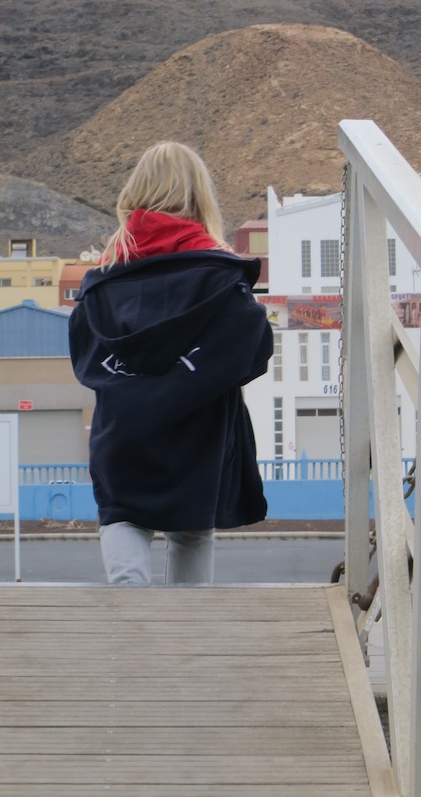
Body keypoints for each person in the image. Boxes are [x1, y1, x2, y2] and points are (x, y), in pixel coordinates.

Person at [69, 141, 273, 585]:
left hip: (122, 431)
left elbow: (84, 354)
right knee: (191, 534)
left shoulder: (103, 282)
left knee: (122, 517)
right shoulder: (219, 277)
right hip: (196, 435)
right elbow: (253, 346)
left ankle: (131, 614)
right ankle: (186, 626)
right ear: (199, 197)